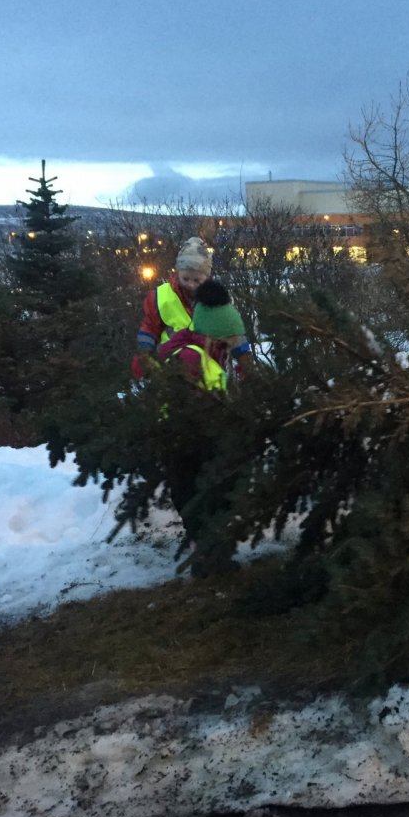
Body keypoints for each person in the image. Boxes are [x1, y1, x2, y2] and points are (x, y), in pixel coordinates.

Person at [155, 280, 250, 572]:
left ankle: (211, 551)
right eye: (225, 346)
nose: (226, 354)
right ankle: (207, 556)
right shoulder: (189, 359)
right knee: (198, 495)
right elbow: (190, 405)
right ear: (211, 337)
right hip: (187, 442)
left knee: (210, 492)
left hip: (198, 439)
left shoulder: (202, 353)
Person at [133, 236, 213, 378]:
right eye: (186, 279)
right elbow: (150, 327)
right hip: (169, 366)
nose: (191, 284)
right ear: (177, 273)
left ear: (206, 278)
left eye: (197, 280)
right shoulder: (160, 297)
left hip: (207, 369)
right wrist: (145, 353)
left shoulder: (215, 300)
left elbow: (230, 330)